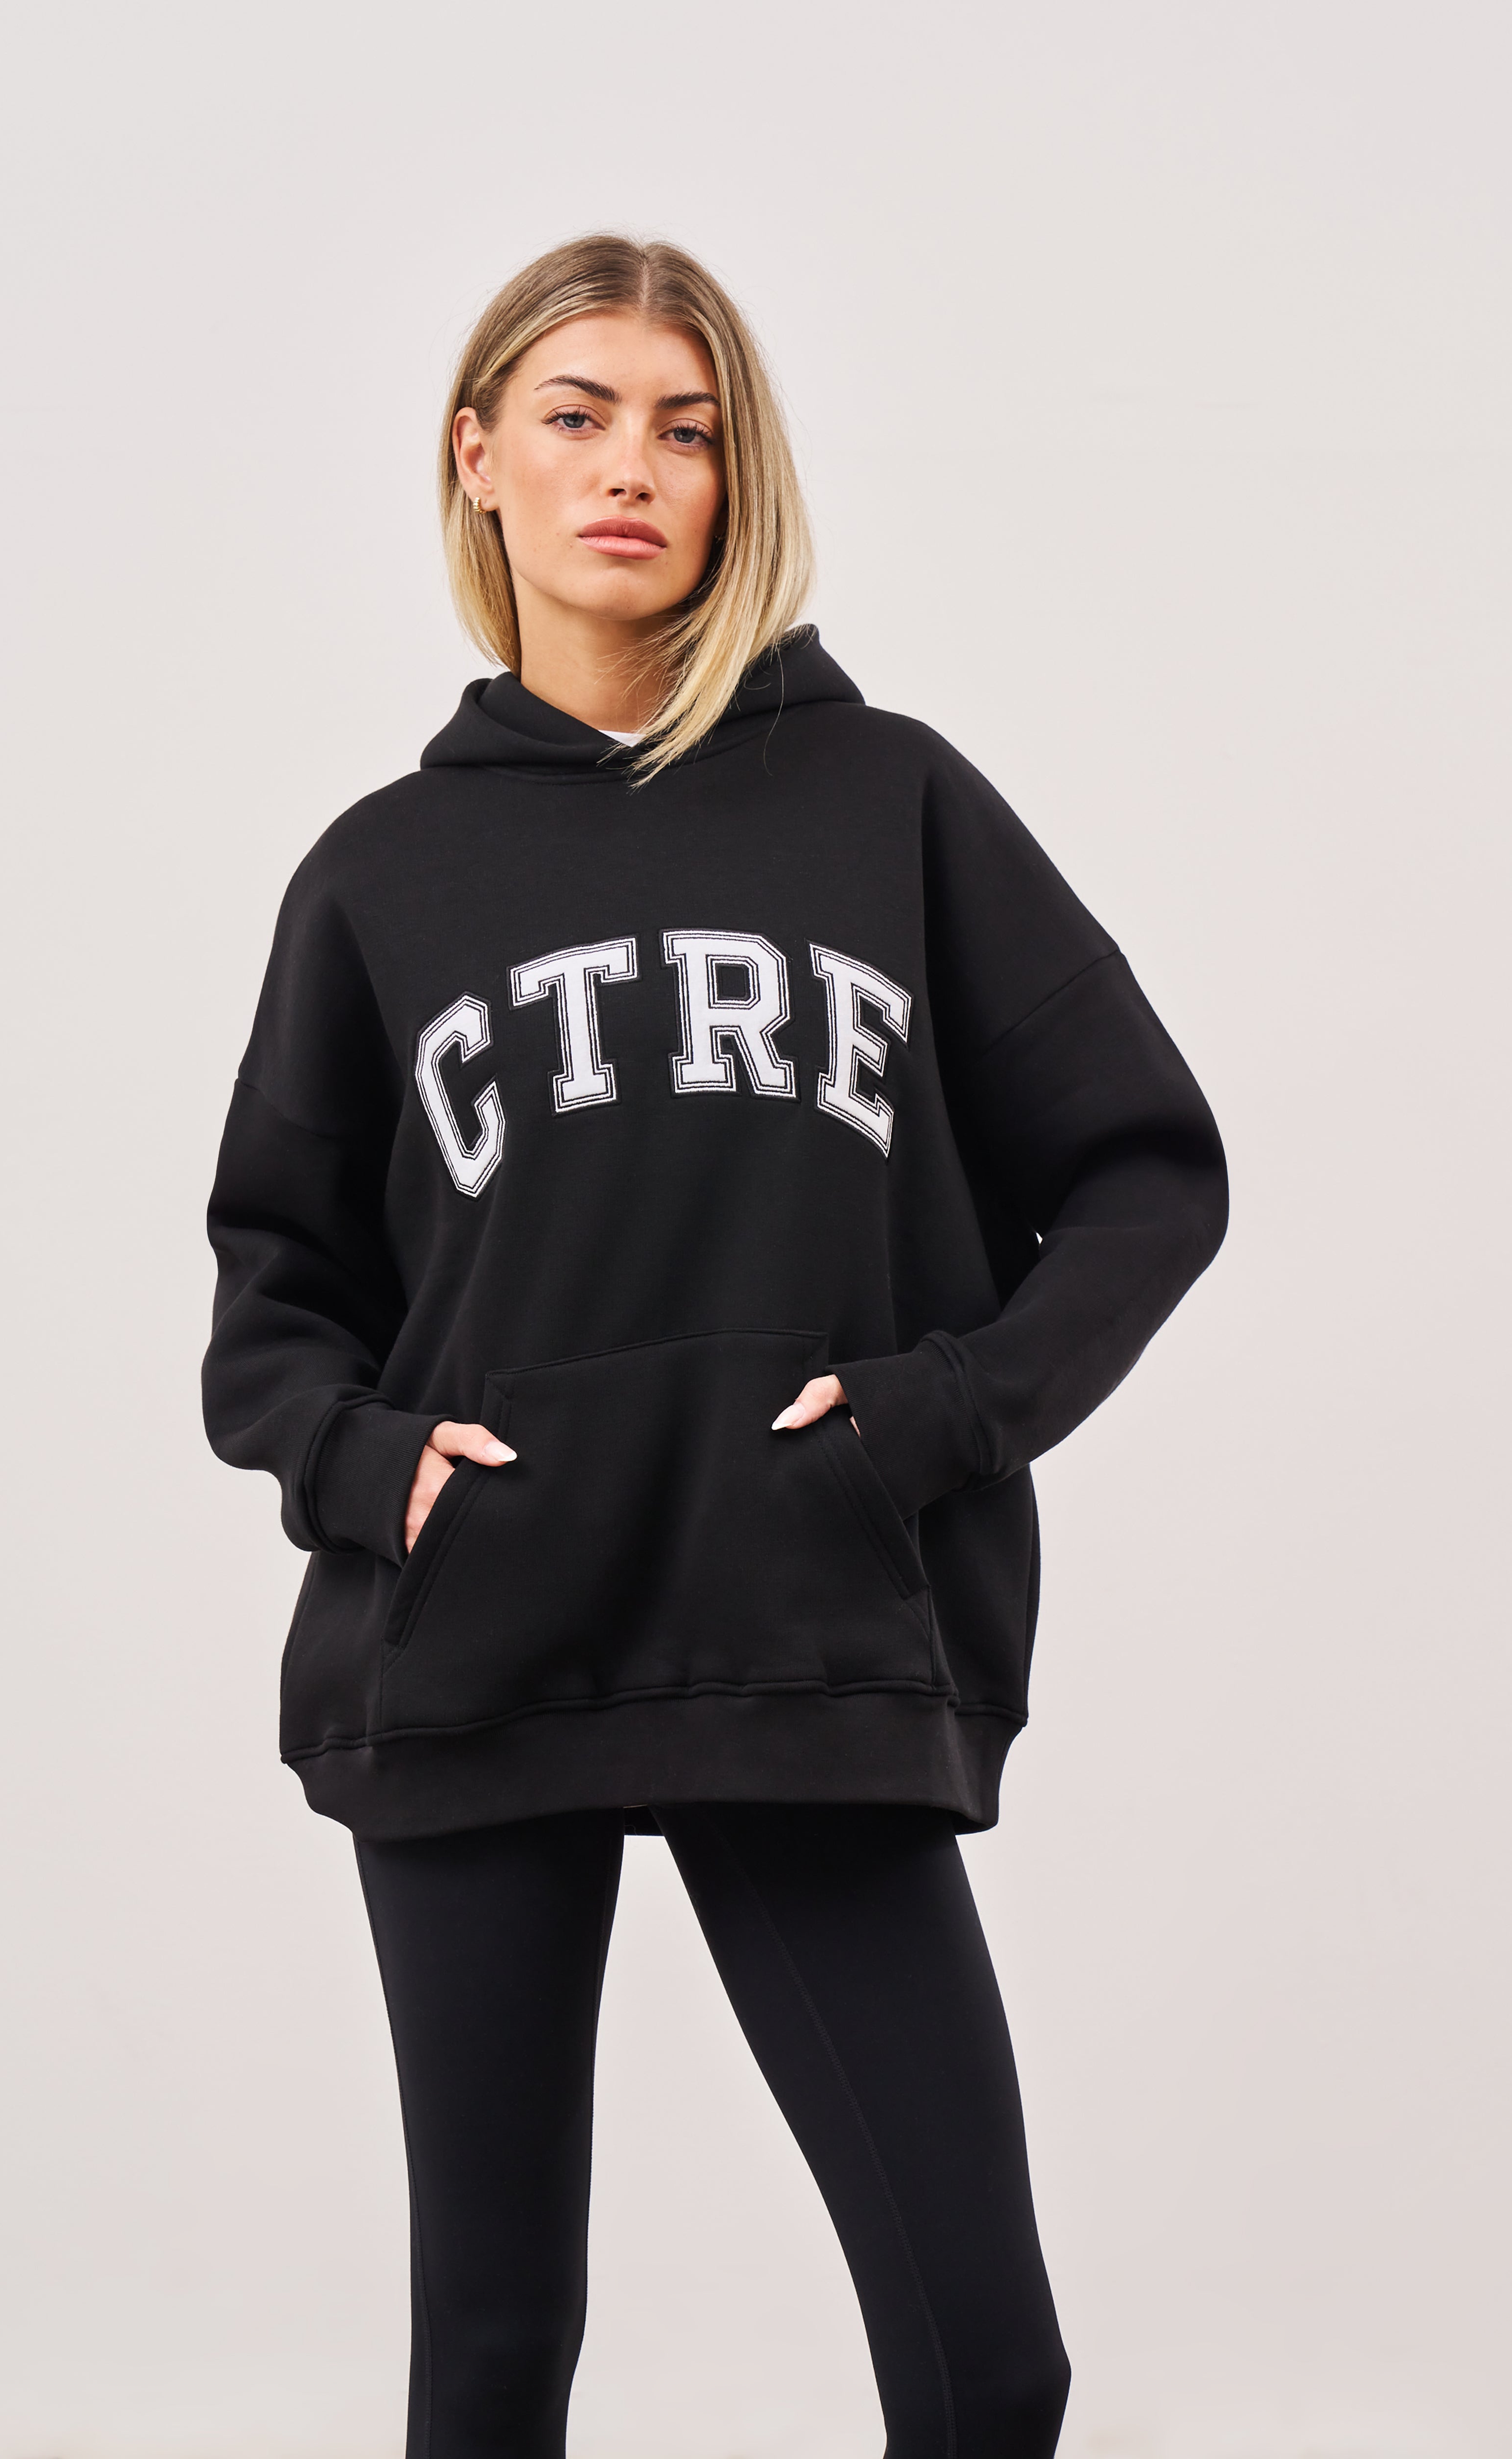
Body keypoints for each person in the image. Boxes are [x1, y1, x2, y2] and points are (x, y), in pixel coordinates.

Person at [202, 233, 1227, 2459]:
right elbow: (271, 1290)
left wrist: (932, 1421)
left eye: (688, 429)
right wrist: (370, 1469)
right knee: (493, 2364)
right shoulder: (380, 875)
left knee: (990, 2363)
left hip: (804, 1620)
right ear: (478, 456)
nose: (631, 470)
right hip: (481, 1641)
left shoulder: (893, 802)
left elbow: (1151, 1175)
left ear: (738, 477)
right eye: (576, 416)